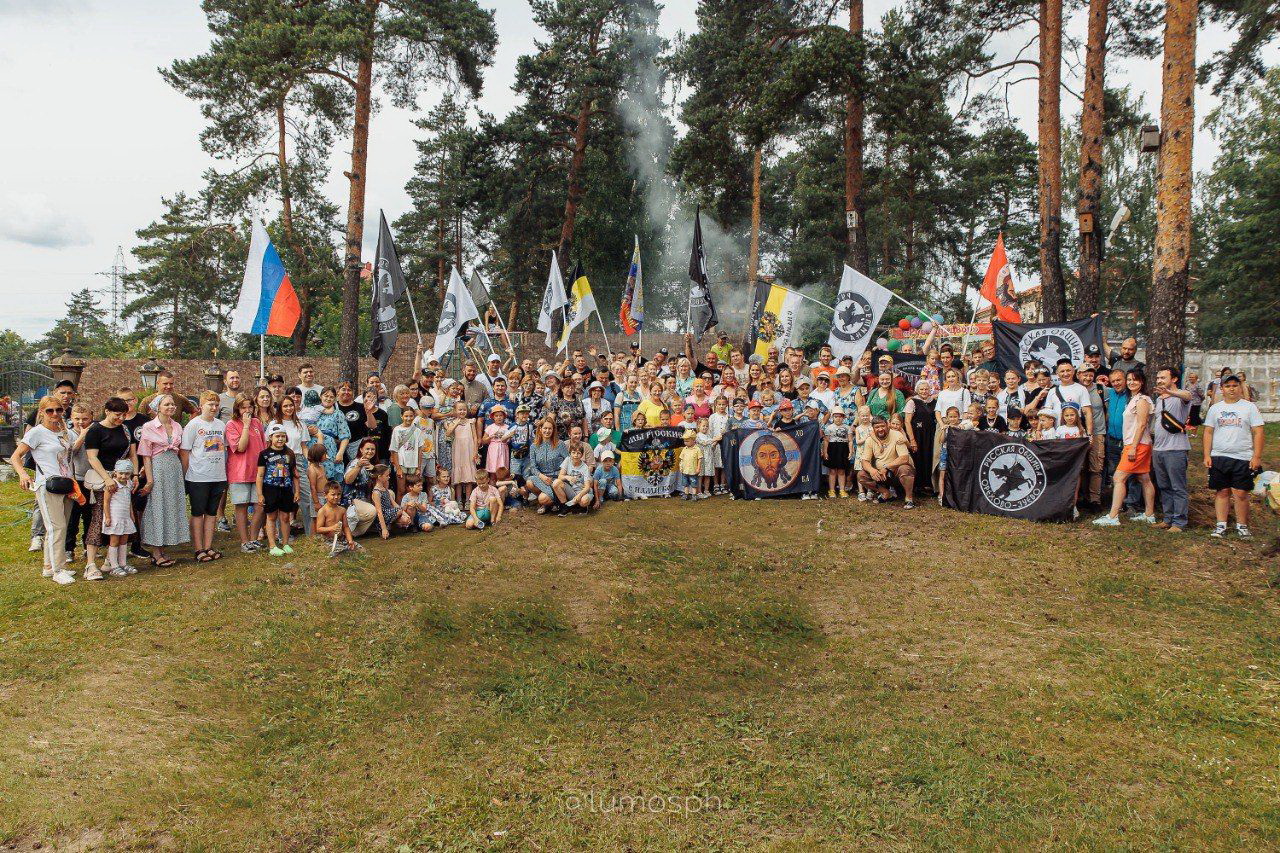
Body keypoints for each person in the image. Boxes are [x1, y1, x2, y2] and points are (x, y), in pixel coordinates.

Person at [11, 395, 77, 583]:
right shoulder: (37, 432)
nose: (55, 413)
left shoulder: (64, 432)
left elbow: (74, 449)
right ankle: (58, 570)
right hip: (47, 484)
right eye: (50, 410)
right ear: (42, 412)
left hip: (67, 484)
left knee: (58, 527)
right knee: (57, 527)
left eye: (58, 410)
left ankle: (49, 566)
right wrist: (23, 475)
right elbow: (16, 456)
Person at [1202, 374, 1265, 539]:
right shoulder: (1215, 408)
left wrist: (1256, 456)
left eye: (1235, 385)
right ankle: (1221, 525)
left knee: (1240, 493)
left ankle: (1242, 526)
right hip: (1219, 456)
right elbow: (1208, 432)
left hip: (1242, 456)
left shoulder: (1249, 407)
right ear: (1222, 389)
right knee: (1222, 491)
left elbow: (1258, 432)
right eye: (1228, 386)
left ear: (1240, 388)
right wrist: (1207, 454)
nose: (1231, 389)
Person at [1093, 370, 1157, 527]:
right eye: (1129, 380)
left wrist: (1133, 447)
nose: (1131, 382)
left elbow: (1142, 424)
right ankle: (1149, 514)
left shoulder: (1142, 400)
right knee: (1144, 478)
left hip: (1139, 444)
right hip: (1133, 443)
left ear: (1142, 382)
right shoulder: (1132, 399)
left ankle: (1113, 516)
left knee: (1118, 478)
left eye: (1135, 380)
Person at [83, 397, 137, 578]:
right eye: (117, 415)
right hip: (104, 479)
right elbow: (92, 457)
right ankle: (90, 564)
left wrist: (134, 475)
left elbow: (132, 454)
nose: (121, 418)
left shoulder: (125, 429)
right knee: (99, 519)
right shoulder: (95, 430)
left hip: (123, 479)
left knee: (121, 520)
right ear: (107, 411)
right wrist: (107, 479)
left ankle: (112, 561)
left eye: (124, 415)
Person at [136, 394, 191, 566]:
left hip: (174, 467)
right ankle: (155, 551)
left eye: (172, 404)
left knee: (171, 506)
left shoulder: (177, 426)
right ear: (158, 407)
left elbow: (181, 451)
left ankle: (164, 547)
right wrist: (150, 480)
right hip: (158, 467)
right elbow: (146, 455)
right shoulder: (149, 426)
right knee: (157, 507)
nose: (171, 407)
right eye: (167, 404)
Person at [181, 391, 227, 563]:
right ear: (201, 406)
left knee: (211, 512)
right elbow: (185, 451)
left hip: (217, 475)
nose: (214, 408)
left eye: (216, 405)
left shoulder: (221, 425)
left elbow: (224, 449)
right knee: (197, 512)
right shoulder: (193, 425)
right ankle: (198, 548)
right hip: (198, 476)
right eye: (210, 404)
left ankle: (208, 546)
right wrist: (185, 474)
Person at [1151, 368, 1193, 533]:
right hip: (1158, 449)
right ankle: (1168, 518)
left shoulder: (1180, 397)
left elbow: (1188, 396)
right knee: (1164, 486)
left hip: (1176, 449)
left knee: (1178, 487)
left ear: (1174, 379)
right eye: (1158, 377)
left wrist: (1170, 392)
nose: (1159, 380)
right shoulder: (1159, 399)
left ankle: (1179, 522)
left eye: (1163, 377)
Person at [225, 393, 267, 553]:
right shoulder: (231, 424)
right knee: (241, 506)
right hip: (240, 473)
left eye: (250, 406)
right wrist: (246, 426)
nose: (247, 410)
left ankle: (253, 538)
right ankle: (244, 541)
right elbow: (241, 447)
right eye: (243, 407)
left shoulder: (257, 422)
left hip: (258, 472)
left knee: (259, 505)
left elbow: (263, 447)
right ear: (237, 408)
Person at [257, 424, 299, 555]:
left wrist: (297, 491)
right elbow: (260, 475)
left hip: (286, 488)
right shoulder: (264, 454)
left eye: (283, 436)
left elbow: (295, 474)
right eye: (277, 436)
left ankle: (285, 543)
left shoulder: (290, 453)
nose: (280, 439)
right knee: (271, 516)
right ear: (271, 437)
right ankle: (272, 546)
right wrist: (260, 494)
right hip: (270, 489)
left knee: (285, 516)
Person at [857, 415, 916, 508]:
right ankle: (886, 493)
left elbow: (904, 458)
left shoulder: (897, 435)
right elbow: (864, 461)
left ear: (887, 425)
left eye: (882, 426)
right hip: (881, 474)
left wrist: (887, 467)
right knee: (861, 475)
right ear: (873, 428)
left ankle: (909, 498)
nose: (880, 429)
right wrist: (872, 470)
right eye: (877, 427)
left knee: (905, 469)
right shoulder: (870, 440)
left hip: (896, 472)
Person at [101, 459, 139, 577]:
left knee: (124, 540)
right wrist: (108, 517)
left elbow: (128, 500)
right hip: (115, 516)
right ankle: (113, 566)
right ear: (115, 472)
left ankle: (123, 563)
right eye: (121, 473)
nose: (123, 476)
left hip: (125, 516)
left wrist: (131, 514)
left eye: (127, 474)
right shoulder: (112, 485)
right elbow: (106, 502)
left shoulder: (129, 484)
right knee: (114, 541)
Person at [389, 404, 424, 497]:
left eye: (411, 416)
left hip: (414, 464)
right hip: (401, 463)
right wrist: (398, 468)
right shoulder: (397, 430)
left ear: (414, 416)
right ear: (401, 416)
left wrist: (419, 468)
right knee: (401, 490)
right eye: (406, 416)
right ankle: (399, 506)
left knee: (412, 490)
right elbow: (394, 450)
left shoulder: (417, 431)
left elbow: (420, 450)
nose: (408, 418)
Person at [314, 482, 358, 554]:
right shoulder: (323, 511)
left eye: (338, 494)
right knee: (339, 552)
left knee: (359, 549)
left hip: (341, 539)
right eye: (333, 494)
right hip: (328, 540)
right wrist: (332, 528)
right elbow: (318, 529)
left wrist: (350, 540)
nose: (336, 497)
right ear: (325, 495)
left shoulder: (342, 510)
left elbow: (346, 527)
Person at [553, 443, 594, 513]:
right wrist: (567, 477)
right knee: (556, 482)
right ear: (570, 453)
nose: (575, 455)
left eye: (578, 453)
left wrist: (579, 495)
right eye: (573, 452)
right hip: (571, 490)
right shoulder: (567, 460)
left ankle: (581, 506)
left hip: (582, 491)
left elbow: (587, 487)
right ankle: (565, 506)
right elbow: (560, 476)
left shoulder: (585, 468)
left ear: (582, 455)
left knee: (584, 501)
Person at [823, 407, 852, 498]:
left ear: (843, 417)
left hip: (843, 450)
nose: (838, 418)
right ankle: (831, 490)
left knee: (842, 471)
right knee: (832, 471)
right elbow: (826, 441)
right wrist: (825, 452)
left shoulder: (847, 428)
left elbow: (850, 441)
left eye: (840, 416)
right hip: (832, 449)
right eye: (836, 417)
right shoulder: (828, 428)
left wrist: (851, 451)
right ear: (833, 417)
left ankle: (842, 490)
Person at [678, 428, 703, 501]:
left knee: (693, 483)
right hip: (685, 470)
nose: (685, 442)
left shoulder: (697, 449)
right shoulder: (684, 449)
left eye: (687, 441)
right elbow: (681, 459)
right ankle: (686, 494)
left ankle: (694, 495)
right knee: (685, 483)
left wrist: (698, 468)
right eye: (684, 441)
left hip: (693, 471)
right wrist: (681, 467)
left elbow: (699, 459)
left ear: (693, 440)